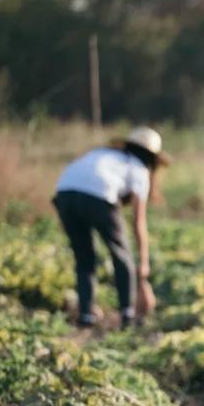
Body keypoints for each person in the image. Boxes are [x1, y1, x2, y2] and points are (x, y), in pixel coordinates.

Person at [53, 126, 169, 329]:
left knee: (84, 258)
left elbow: (77, 179)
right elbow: (138, 223)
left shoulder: (101, 154)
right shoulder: (139, 168)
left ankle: (86, 316)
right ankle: (127, 315)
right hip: (98, 197)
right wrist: (143, 264)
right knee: (121, 255)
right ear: (151, 158)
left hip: (64, 193)